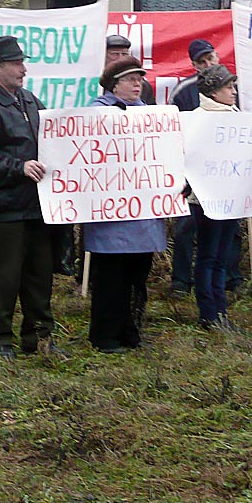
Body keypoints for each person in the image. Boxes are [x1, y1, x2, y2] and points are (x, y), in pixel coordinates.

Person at [0, 35, 63, 360]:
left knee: (40, 276)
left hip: (37, 207)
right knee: (3, 279)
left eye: (22, 62)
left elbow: (53, 138)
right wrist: (18, 167)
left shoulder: (30, 101)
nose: (24, 69)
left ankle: (39, 337)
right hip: (5, 210)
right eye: (17, 63)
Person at [85, 56, 166, 353]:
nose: (138, 83)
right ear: (113, 84)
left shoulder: (151, 115)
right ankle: (105, 335)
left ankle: (131, 330)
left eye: (140, 78)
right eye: (131, 79)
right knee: (111, 278)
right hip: (112, 215)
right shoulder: (97, 113)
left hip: (143, 212)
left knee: (137, 276)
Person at [167, 37, 244, 297]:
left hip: (226, 182)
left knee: (229, 234)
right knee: (187, 230)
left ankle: (231, 279)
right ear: (194, 65)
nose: (208, 63)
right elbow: (174, 133)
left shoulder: (232, 95)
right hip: (196, 182)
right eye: (202, 61)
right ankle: (182, 281)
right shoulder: (184, 92)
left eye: (211, 57)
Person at [187, 63, 244, 331]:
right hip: (205, 200)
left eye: (233, 86)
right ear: (213, 91)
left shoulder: (236, 116)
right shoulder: (198, 119)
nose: (233, 91)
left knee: (222, 256)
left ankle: (220, 311)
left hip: (230, 197)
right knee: (209, 256)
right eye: (228, 87)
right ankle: (209, 313)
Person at [107, 34, 155, 105]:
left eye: (124, 54)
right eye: (115, 54)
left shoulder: (143, 86)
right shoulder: (93, 84)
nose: (120, 58)